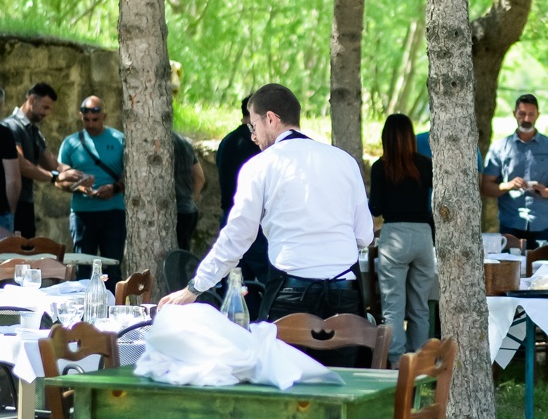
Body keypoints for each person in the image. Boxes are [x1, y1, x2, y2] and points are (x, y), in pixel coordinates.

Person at [164, 83, 372, 323]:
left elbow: (236, 238)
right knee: (340, 364)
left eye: (253, 126)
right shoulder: (344, 161)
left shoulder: (260, 166)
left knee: (281, 361)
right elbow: (364, 236)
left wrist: (194, 288)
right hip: (345, 294)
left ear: (271, 119)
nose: (253, 137)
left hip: (292, 294)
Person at [370, 113, 436, 356]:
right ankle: (419, 360)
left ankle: (397, 361)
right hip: (422, 234)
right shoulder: (424, 164)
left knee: (393, 307)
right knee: (420, 307)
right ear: (411, 138)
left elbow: (375, 208)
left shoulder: (380, 167)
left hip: (395, 235)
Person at [480, 93, 548, 246]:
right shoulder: (500, 148)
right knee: (510, 269)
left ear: (538, 115)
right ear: (514, 114)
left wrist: (547, 192)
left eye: (531, 114)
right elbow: (485, 187)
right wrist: (508, 185)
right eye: (522, 114)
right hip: (511, 224)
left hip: (544, 225)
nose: (526, 119)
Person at [57, 96, 127, 266]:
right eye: (86, 120)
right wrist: (79, 187)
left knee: (112, 265)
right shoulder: (70, 143)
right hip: (82, 213)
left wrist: (114, 188)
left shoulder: (119, 139)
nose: (90, 124)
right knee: (83, 267)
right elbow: (59, 180)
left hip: (113, 212)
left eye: (95, 120)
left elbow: (132, 174)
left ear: (104, 116)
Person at [215, 96, 272, 298]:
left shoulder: (226, 142)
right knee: (270, 280)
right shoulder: (259, 144)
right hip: (254, 219)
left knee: (234, 288)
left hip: (229, 215)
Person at [2, 82, 59, 239]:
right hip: (10, 205)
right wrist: (54, 177)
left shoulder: (33, 130)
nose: (47, 113)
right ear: (33, 100)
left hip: (26, 202)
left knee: (27, 254)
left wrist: (74, 175)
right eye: (45, 107)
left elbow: (52, 163)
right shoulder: (11, 127)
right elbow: (20, 165)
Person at [173, 129, 205, 251]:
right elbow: (200, 178)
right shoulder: (184, 143)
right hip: (188, 211)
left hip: (173, 213)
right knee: (182, 258)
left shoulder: (154, 143)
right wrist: (191, 199)